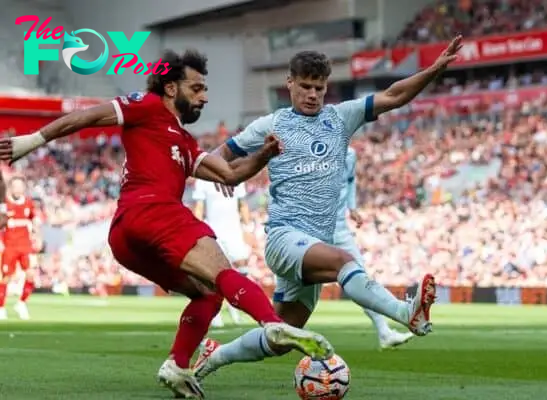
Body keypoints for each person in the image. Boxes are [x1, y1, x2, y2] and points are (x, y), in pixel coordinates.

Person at [0, 49, 334, 400]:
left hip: (128, 238)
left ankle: (177, 364)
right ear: (172, 88)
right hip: (153, 212)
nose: (204, 96)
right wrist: (33, 140)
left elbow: (232, 174)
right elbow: (85, 117)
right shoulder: (146, 106)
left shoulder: (184, 141)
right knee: (222, 270)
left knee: (208, 294)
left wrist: (264, 155)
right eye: (197, 88)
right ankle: (274, 326)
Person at [193, 36, 463, 379]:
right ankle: (406, 312)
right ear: (290, 83)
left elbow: (395, 95)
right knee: (344, 261)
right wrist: (218, 170)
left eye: (319, 88)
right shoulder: (270, 124)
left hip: (314, 243)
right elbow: (222, 152)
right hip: (284, 238)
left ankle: (213, 356)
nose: (312, 94)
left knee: (281, 336)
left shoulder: (341, 117)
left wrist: (434, 70)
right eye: (305, 86)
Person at [333, 146, 414, 348]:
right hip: (312, 227)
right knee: (300, 289)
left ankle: (385, 331)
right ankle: (275, 330)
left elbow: (350, 181)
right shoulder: (313, 151)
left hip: (339, 228)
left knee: (360, 277)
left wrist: (351, 208)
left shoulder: (349, 154)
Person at [192, 179, 251, 327]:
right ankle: (216, 314)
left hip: (234, 231)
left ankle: (235, 308)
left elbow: (242, 204)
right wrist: (197, 230)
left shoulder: (236, 176)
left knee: (242, 270)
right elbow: (199, 207)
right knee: (216, 274)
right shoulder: (203, 179)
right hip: (214, 231)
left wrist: (248, 227)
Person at [0, 176, 39, 320]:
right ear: (11, 188)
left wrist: (37, 235)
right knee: (6, 278)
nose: (18, 189)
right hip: (9, 246)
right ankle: (1, 307)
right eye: (15, 186)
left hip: (25, 246)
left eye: (20, 186)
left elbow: (34, 219)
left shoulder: (28, 203)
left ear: (23, 188)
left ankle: (21, 303)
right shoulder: (4, 204)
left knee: (31, 274)